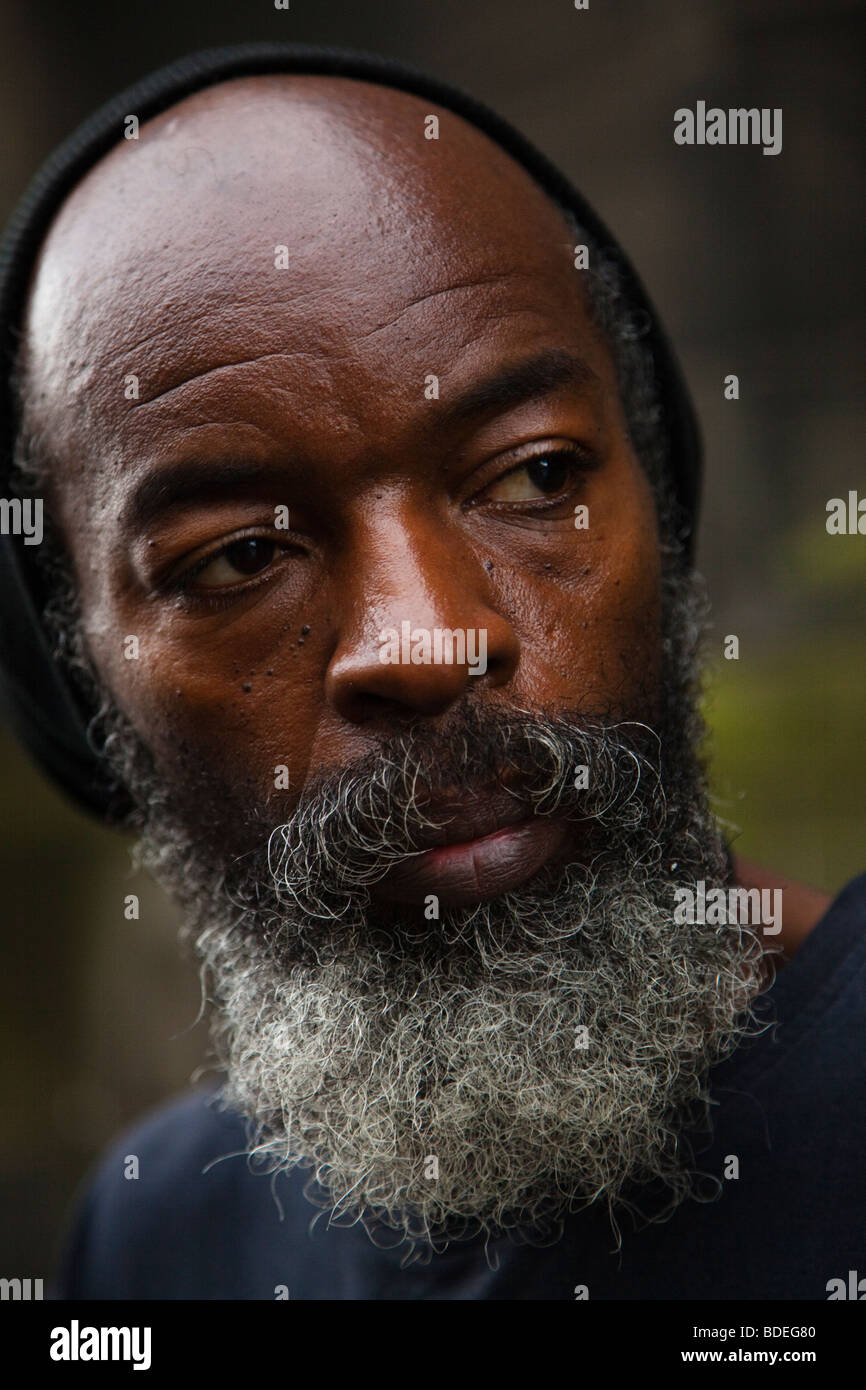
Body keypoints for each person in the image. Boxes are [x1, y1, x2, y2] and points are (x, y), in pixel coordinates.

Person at [0, 43, 861, 1300]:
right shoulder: (158, 1248)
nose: (427, 642)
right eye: (241, 557)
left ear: (659, 509)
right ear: (85, 689)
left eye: (535, 477)